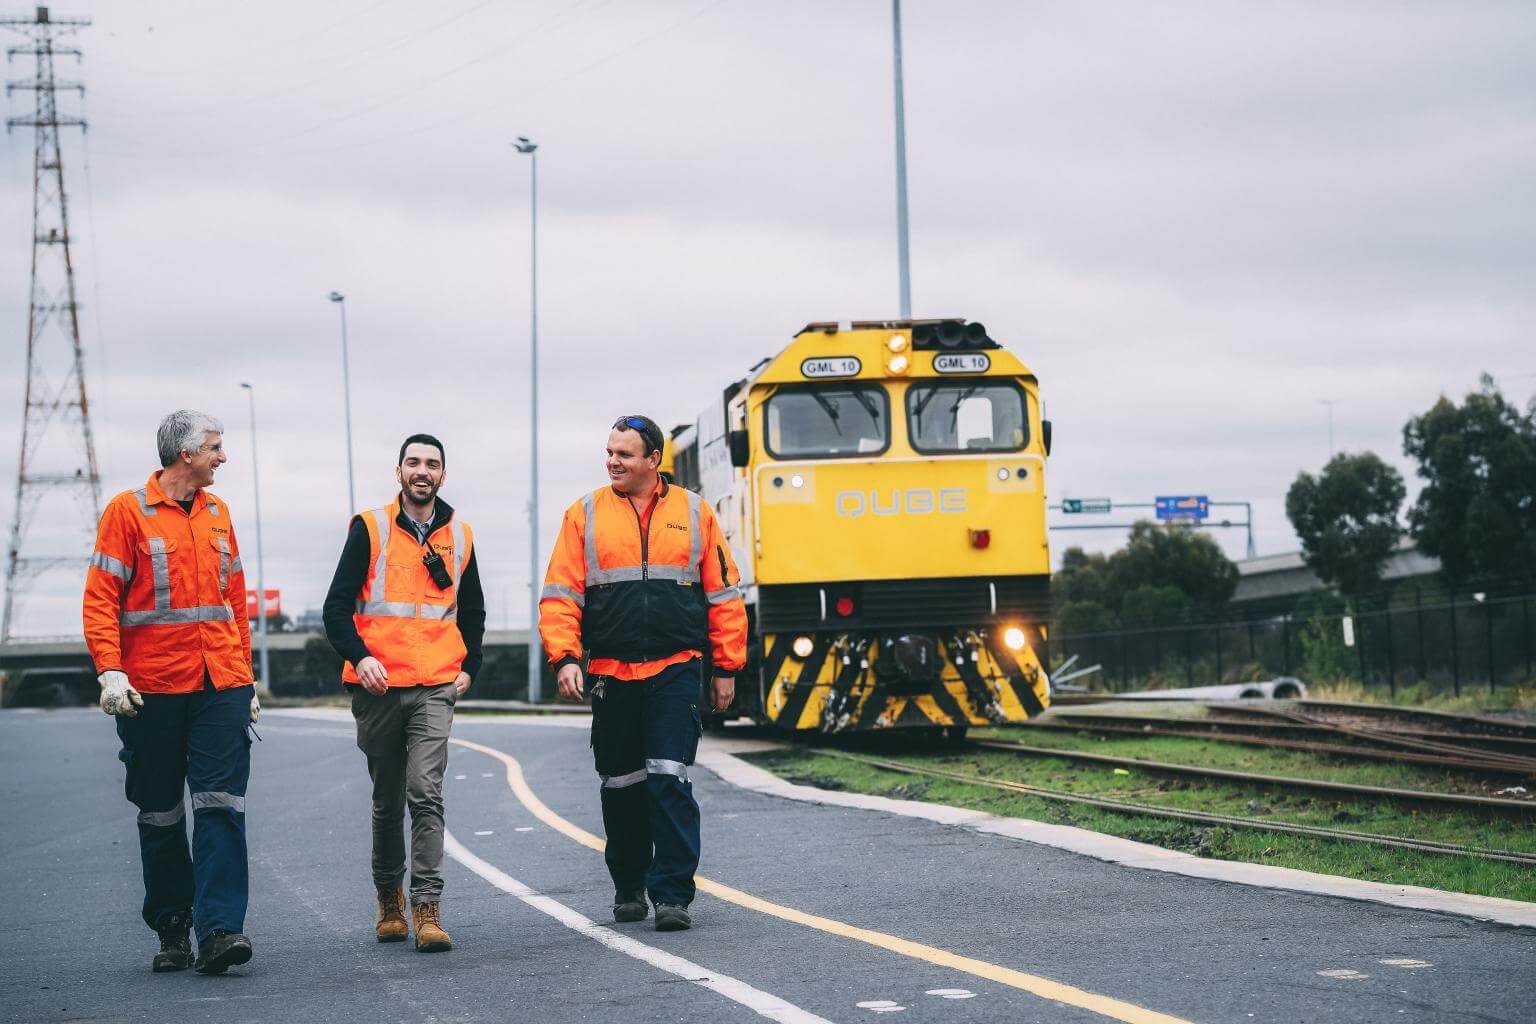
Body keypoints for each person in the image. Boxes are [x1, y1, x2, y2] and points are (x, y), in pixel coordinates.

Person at [540, 414, 747, 932]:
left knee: (669, 779)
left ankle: (672, 894)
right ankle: (629, 885)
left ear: (654, 461)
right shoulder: (583, 514)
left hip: (676, 668)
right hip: (611, 672)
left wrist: (726, 667)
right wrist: (564, 657)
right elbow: (561, 594)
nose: (613, 461)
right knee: (622, 785)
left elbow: (723, 595)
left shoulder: (695, 512)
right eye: (609, 452)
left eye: (624, 454)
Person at [82, 410, 258, 975]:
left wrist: (246, 678)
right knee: (159, 813)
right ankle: (173, 926)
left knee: (220, 805)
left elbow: (236, 603)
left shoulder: (218, 513)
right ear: (185, 454)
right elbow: (101, 599)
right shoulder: (126, 512)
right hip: (151, 688)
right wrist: (110, 670)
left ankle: (220, 930)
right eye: (215, 447)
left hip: (219, 683)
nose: (222, 457)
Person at [323, 433, 485, 952]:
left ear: (442, 474)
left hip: (436, 685)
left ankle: (428, 910)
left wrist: (470, 666)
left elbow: (474, 611)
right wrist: (361, 656)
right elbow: (336, 607)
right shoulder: (369, 528)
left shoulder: (460, 535)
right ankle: (389, 899)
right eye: (413, 462)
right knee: (387, 799)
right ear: (398, 472)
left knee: (426, 794)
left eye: (432, 464)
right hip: (379, 686)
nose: (422, 470)